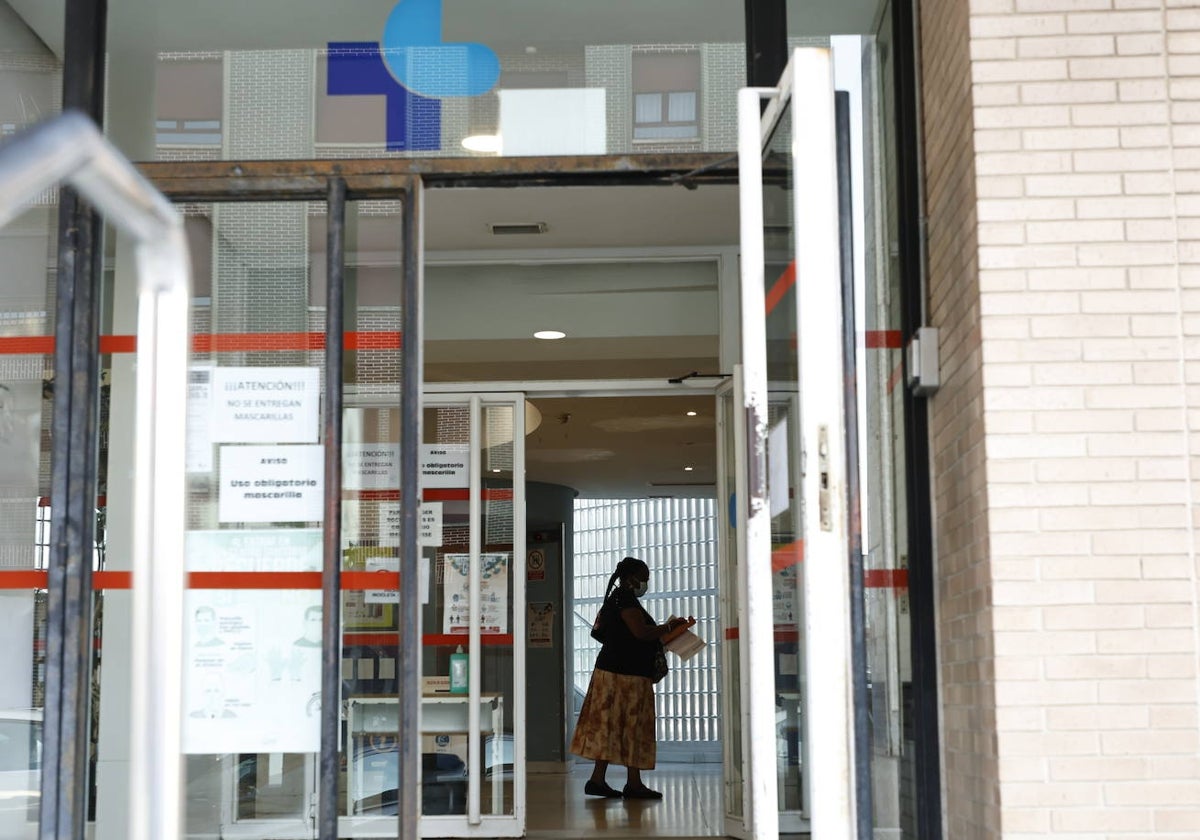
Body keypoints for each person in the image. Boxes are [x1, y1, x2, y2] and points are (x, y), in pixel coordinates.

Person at [569, 555, 694, 800]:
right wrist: (668, 628)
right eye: (643, 579)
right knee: (634, 726)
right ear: (631, 579)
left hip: (610, 672)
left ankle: (598, 779)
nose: (645, 584)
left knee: (608, 726)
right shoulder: (625, 600)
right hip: (628, 676)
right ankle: (633, 784)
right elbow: (641, 633)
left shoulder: (615, 599)